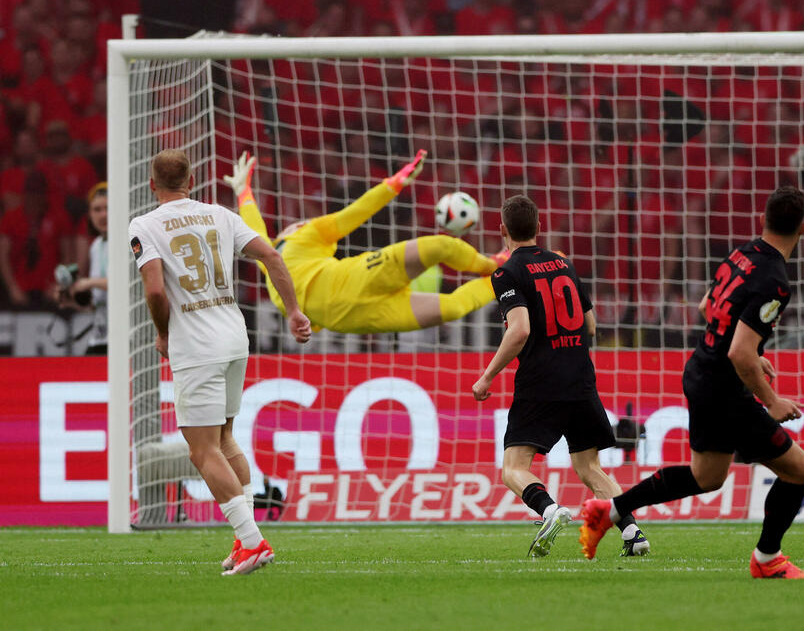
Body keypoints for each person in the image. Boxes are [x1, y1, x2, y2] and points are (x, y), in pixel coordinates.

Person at [579, 186, 804, 579]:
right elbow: (740, 353)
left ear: (763, 220)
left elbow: (708, 307)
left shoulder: (741, 254)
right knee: (799, 471)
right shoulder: (775, 280)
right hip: (726, 389)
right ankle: (767, 558)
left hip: (702, 372)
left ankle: (612, 509)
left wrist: (751, 353)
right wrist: (771, 400)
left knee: (707, 476)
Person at [129, 149, 311, 575]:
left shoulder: (145, 225)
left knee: (202, 450)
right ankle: (243, 539)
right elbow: (273, 256)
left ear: (152, 184)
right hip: (234, 336)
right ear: (191, 181)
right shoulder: (220, 214)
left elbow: (155, 291)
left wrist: (162, 331)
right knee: (226, 440)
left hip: (195, 344)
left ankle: (252, 542)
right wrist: (294, 312)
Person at [472, 195, 650, 558]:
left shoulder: (506, 273)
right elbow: (591, 325)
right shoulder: (563, 263)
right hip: (580, 377)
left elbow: (519, 330)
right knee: (588, 466)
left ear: (502, 230)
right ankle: (632, 532)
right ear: (539, 228)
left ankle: (549, 509)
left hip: (541, 380)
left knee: (513, 468)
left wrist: (487, 376)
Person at [227, 149, 504, 335]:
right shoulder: (304, 235)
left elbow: (255, 228)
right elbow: (358, 211)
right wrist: (395, 182)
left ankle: (494, 264)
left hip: (360, 278)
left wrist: (244, 192)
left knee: (441, 247)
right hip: (361, 317)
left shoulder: (271, 262)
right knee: (454, 307)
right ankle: (503, 276)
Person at [57, 182, 109, 354]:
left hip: (125, 338)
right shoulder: (95, 246)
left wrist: (87, 283)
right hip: (99, 337)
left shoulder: (129, 239)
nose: (103, 215)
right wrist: (71, 301)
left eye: (107, 208)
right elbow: (98, 303)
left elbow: (128, 285)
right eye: (97, 209)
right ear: (90, 214)